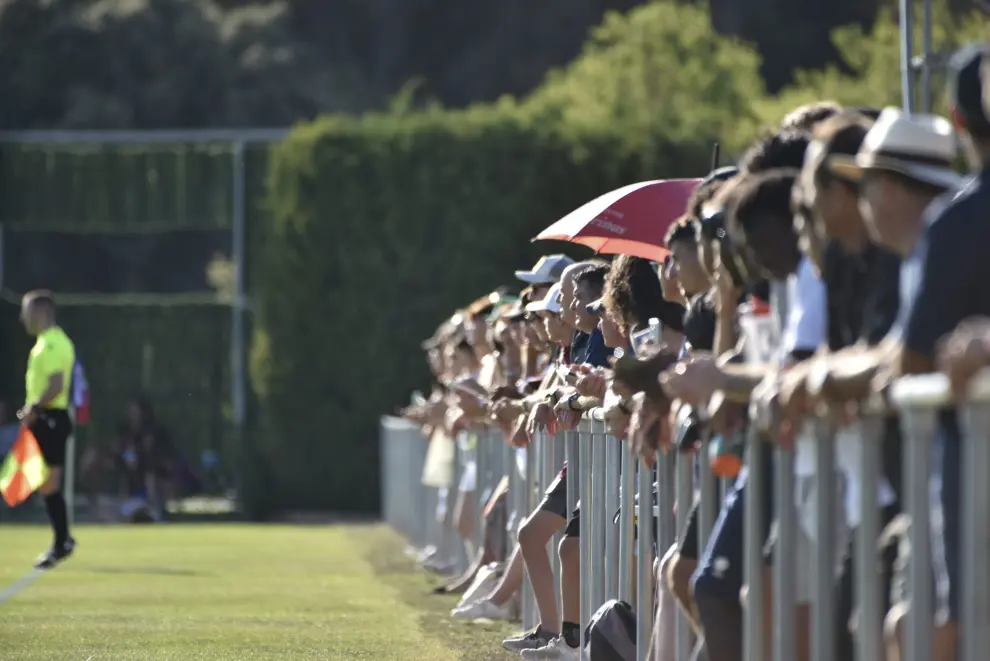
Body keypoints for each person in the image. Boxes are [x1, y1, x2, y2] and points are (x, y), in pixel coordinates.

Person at [18, 290, 77, 569]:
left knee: (48, 484)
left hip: (50, 419)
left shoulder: (52, 343)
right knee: (46, 484)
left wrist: (35, 409)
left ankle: (62, 542)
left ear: (41, 312)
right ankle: (63, 540)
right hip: (47, 419)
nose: (23, 318)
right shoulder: (48, 341)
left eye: (26, 311)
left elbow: (56, 384)